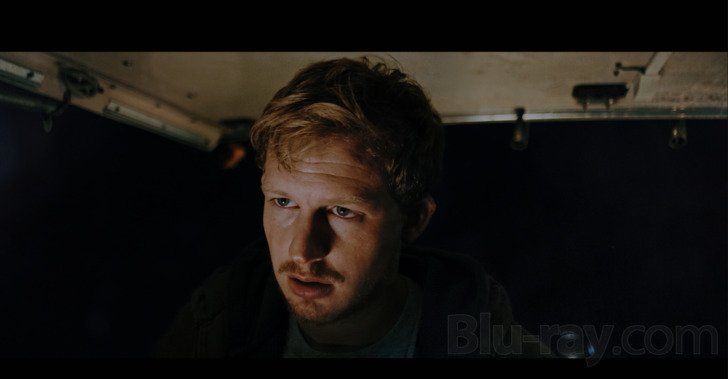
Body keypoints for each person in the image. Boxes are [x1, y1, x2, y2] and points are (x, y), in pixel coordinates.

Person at [154, 56, 551, 358]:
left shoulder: (485, 344)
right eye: (283, 202)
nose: (302, 251)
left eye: (342, 211)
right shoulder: (215, 323)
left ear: (413, 220)